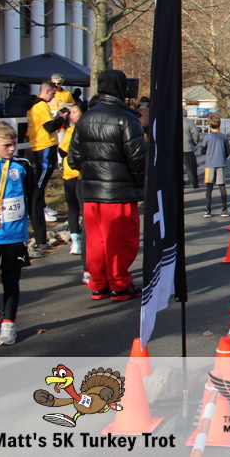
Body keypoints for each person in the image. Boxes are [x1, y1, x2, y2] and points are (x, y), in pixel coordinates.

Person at [68, 69, 146, 301]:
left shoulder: (86, 118)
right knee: (120, 240)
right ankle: (119, 284)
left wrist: (90, 170)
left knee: (95, 240)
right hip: (119, 190)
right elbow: (138, 158)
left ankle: (99, 283)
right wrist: (140, 183)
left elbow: (73, 158)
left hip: (91, 189)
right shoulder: (126, 118)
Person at [0, 121, 35, 346]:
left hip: (15, 235)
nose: (12, 148)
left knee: (11, 281)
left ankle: (9, 323)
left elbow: (33, 198)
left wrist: (36, 231)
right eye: (7, 145)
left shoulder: (21, 165)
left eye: (14, 143)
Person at [25, 82, 67, 255]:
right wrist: (61, 119)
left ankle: (41, 205)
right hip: (44, 144)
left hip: (41, 144)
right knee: (41, 179)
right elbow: (49, 126)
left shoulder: (36, 105)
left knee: (43, 177)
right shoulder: (41, 105)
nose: (54, 97)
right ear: (47, 91)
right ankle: (39, 206)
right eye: (53, 94)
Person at [57, 104, 86, 263]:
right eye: (70, 112)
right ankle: (84, 240)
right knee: (82, 208)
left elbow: (62, 152)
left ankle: (76, 241)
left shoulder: (71, 131)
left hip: (72, 173)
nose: (71, 115)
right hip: (82, 173)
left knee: (74, 208)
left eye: (75, 112)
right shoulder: (89, 129)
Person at [200, 114, 230, 217]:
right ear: (220, 125)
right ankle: (224, 209)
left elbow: (202, 151)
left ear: (209, 125)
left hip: (210, 164)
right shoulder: (224, 136)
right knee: (221, 186)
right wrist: (223, 157)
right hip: (221, 163)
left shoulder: (207, 137)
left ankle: (208, 209)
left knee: (209, 187)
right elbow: (228, 151)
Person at [182, 109, 201, 189]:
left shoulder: (171, 122)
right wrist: (195, 142)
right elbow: (195, 133)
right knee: (191, 166)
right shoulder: (188, 122)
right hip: (187, 147)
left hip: (174, 149)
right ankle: (193, 182)